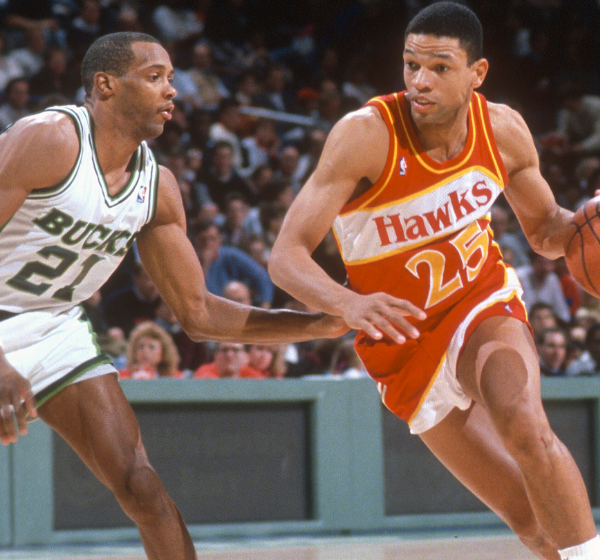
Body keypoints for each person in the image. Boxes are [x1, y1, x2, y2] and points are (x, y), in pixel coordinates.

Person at [268, 4, 600, 558]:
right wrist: (348, 304)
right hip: (402, 342)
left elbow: (547, 231)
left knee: (525, 426)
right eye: (411, 65)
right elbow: (285, 257)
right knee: (527, 519)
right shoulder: (366, 135)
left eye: (439, 67)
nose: (419, 81)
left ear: (477, 72)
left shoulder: (502, 129)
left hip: (480, 301)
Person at [0, 32, 346, 560]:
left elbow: (199, 313)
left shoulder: (156, 188)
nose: (173, 90)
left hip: (54, 327)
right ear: (105, 85)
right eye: (155, 76)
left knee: (143, 488)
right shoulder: (49, 139)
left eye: (172, 77)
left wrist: (313, 325)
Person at [119, 321, 184, 379]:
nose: (145, 351)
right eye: (141, 346)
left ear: (163, 353)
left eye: (151, 347)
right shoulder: (122, 377)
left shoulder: (175, 378)